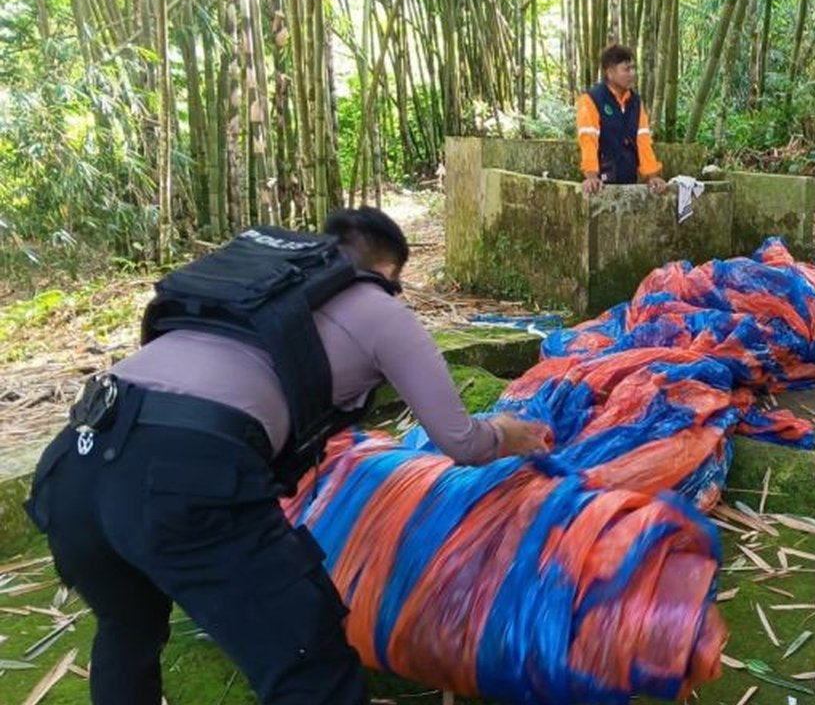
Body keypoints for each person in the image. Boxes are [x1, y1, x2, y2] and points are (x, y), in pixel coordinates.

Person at [24, 208, 549, 704]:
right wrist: (508, 432)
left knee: (128, 631)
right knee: (312, 667)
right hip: (183, 475)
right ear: (388, 271)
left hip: (75, 462)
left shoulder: (247, 296)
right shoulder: (381, 310)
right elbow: (462, 442)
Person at [576, 44, 667, 197]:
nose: (632, 73)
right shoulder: (591, 99)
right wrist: (591, 176)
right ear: (610, 72)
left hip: (629, 176)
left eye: (633, 68)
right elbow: (588, 139)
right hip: (603, 179)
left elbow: (643, 140)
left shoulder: (636, 102)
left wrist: (653, 176)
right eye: (626, 69)